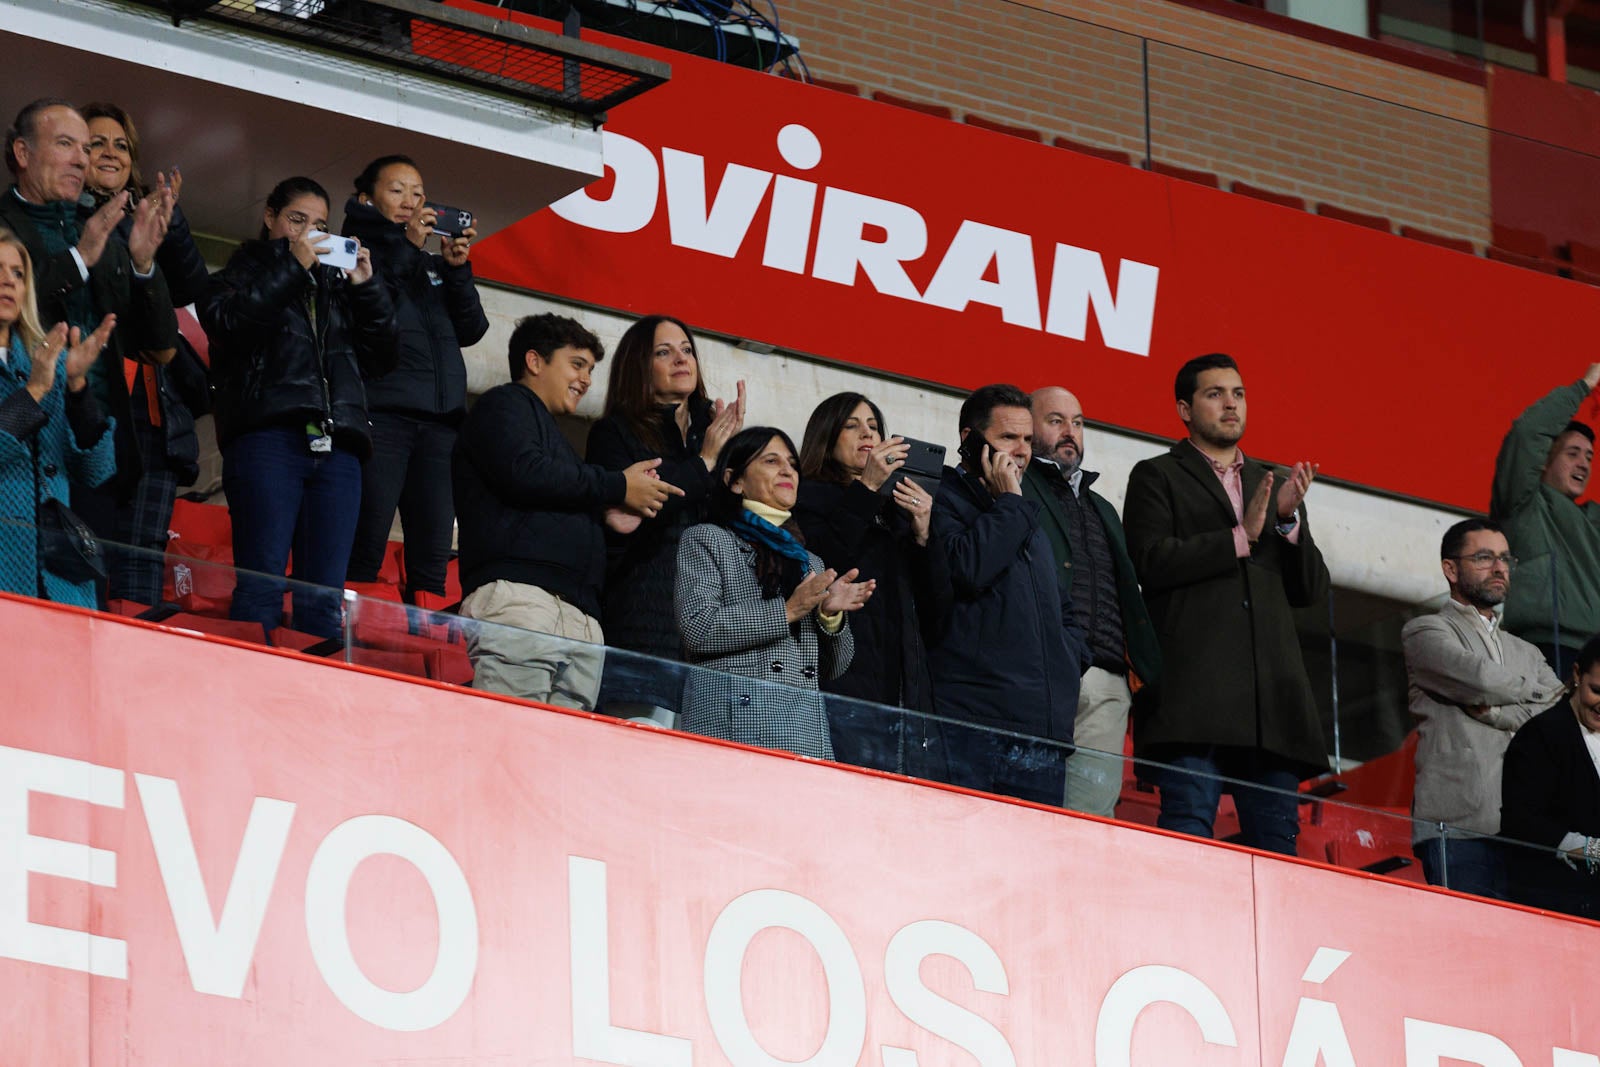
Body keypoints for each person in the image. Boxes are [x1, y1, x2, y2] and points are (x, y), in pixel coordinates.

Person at [1122, 353, 1329, 856]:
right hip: (1194, 696)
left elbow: (1310, 591)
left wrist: (1286, 523)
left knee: (1277, 853)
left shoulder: (1273, 482)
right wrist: (1239, 537)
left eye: (1237, 393)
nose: (1231, 403)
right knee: (1188, 839)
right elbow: (1147, 562)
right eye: (1215, 394)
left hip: (1269, 709)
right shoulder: (1157, 476)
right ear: (1185, 409)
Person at [199, 176, 397, 638]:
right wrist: (292, 267)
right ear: (269, 218)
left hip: (339, 448)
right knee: (261, 583)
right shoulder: (236, 276)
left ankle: (310, 703)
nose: (309, 233)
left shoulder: (340, 288)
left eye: (320, 226)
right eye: (297, 220)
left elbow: (384, 359)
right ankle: (244, 699)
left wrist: (367, 287)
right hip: (268, 439)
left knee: (324, 598)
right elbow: (230, 324)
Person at [453, 313, 680, 709]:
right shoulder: (504, 403)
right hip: (524, 604)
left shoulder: (559, 444)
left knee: (556, 761)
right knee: (506, 744)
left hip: (580, 618)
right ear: (534, 361)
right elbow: (524, 472)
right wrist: (618, 485)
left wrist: (608, 522)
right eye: (577, 364)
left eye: (591, 369)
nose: (587, 379)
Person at [0, 98, 179, 578]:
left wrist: (142, 261)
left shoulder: (98, 232)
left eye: (86, 148)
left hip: (91, 449)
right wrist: (80, 258)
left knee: (82, 612)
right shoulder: (7, 224)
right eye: (66, 145)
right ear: (22, 152)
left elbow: (160, 346)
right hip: (16, 449)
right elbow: (20, 295)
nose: (83, 159)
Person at [929, 383, 1088, 805]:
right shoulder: (942, 498)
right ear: (970, 439)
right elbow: (968, 569)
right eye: (1007, 437)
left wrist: (1069, 655)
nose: (1021, 451)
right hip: (975, 725)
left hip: (1042, 731)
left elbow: (1062, 608)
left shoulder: (1020, 510)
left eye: (1028, 440)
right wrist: (1011, 504)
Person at [79, 101, 211, 606]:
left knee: (142, 559)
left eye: (121, 145)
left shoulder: (154, 214)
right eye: (97, 142)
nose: (111, 153)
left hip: (154, 414)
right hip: (92, 402)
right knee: (87, 545)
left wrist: (170, 226)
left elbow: (195, 290)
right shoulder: (64, 217)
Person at [341, 154, 488, 602]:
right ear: (366, 198)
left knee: (433, 559)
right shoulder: (352, 252)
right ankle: (339, 647)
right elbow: (371, 309)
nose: (411, 201)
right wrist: (406, 247)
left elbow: (472, 329)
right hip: (383, 417)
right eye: (397, 190)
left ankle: (423, 653)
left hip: (441, 427)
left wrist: (458, 271)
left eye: (418, 193)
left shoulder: (428, 261)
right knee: (365, 545)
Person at [676, 426, 872, 758]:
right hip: (733, 730)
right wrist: (787, 612)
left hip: (805, 736)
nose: (787, 470)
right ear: (734, 480)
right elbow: (699, 628)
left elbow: (835, 668)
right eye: (771, 460)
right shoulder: (707, 539)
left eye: (793, 464)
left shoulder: (808, 559)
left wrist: (829, 616)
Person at [1402, 518, 1561, 898]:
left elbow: (1561, 714)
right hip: (1457, 827)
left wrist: (1495, 714)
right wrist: (1530, 695)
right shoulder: (1426, 632)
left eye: (1505, 558)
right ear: (1451, 569)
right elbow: (1482, 678)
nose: (1499, 568)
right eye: (1485, 557)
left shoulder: (1529, 652)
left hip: (1528, 831)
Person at [1024, 386, 1160, 817]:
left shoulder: (1102, 505)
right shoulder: (1015, 487)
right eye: (1056, 420)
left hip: (1107, 680)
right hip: (1045, 669)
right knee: (1031, 811)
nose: (1070, 432)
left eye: (1078, 423)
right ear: (1029, 429)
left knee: (1089, 820)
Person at [793, 392, 949, 767]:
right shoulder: (806, 496)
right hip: (840, 681)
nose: (867, 433)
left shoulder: (896, 513)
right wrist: (865, 489)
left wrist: (925, 534)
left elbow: (938, 608)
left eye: (874, 426)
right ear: (826, 438)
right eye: (852, 425)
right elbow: (824, 565)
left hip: (903, 692)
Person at [585, 314, 743, 667]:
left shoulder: (714, 433)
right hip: (642, 626)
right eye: (664, 352)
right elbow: (630, 519)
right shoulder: (614, 433)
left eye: (687, 350)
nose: (682, 359)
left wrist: (737, 458)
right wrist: (704, 462)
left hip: (712, 636)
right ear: (639, 365)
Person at [0, 229, 117, 608]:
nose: (8, 281)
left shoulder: (43, 362)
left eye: (18, 273)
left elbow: (98, 469)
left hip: (61, 582)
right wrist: (34, 391)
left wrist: (78, 385)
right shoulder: (40, 374)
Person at [1489, 364, 1600, 677]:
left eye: (1589, 457)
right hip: (1544, 652)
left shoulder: (1594, 518)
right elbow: (1526, 434)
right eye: (1573, 453)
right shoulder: (1523, 504)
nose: (1584, 463)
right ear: (1544, 461)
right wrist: (1585, 386)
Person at [1501, 633, 1600, 920]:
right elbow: (1520, 821)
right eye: (1597, 690)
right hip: (1556, 906)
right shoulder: (1540, 735)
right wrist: (1588, 848)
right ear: (1577, 675)